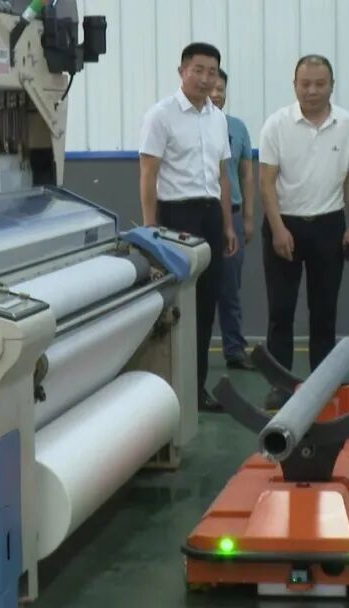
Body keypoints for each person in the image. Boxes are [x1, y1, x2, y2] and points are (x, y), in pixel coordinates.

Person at [258, 54, 349, 405]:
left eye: (320, 84)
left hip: (329, 226)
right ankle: (280, 384)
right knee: (281, 310)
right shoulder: (276, 124)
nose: (312, 90)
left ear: (332, 86)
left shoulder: (347, 124)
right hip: (284, 225)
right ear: (295, 85)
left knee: (324, 311)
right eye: (305, 84)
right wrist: (277, 229)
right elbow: (266, 182)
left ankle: (322, 385)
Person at [138, 42, 238, 411]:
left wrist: (227, 225)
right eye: (198, 70)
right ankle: (168, 393)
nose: (205, 78)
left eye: (212, 72)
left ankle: (196, 390)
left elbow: (223, 176)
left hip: (210, 215)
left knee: (206, 305)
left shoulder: (218, 117)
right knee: (175, 306)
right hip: (174, 217)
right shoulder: (160, 115)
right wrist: (150, 229)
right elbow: (148, 174)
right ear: (182, 71)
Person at [209, 67, 256, 371]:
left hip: (234, 216)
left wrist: (248, 218)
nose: (216, 94)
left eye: (221, 90)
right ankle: (190, 352)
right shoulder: (184, 125)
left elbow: (246, 174)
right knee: (194, 291)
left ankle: (235, 350)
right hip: (198, 216)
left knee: (230, 289)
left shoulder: (237, 128)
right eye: (211, 88)